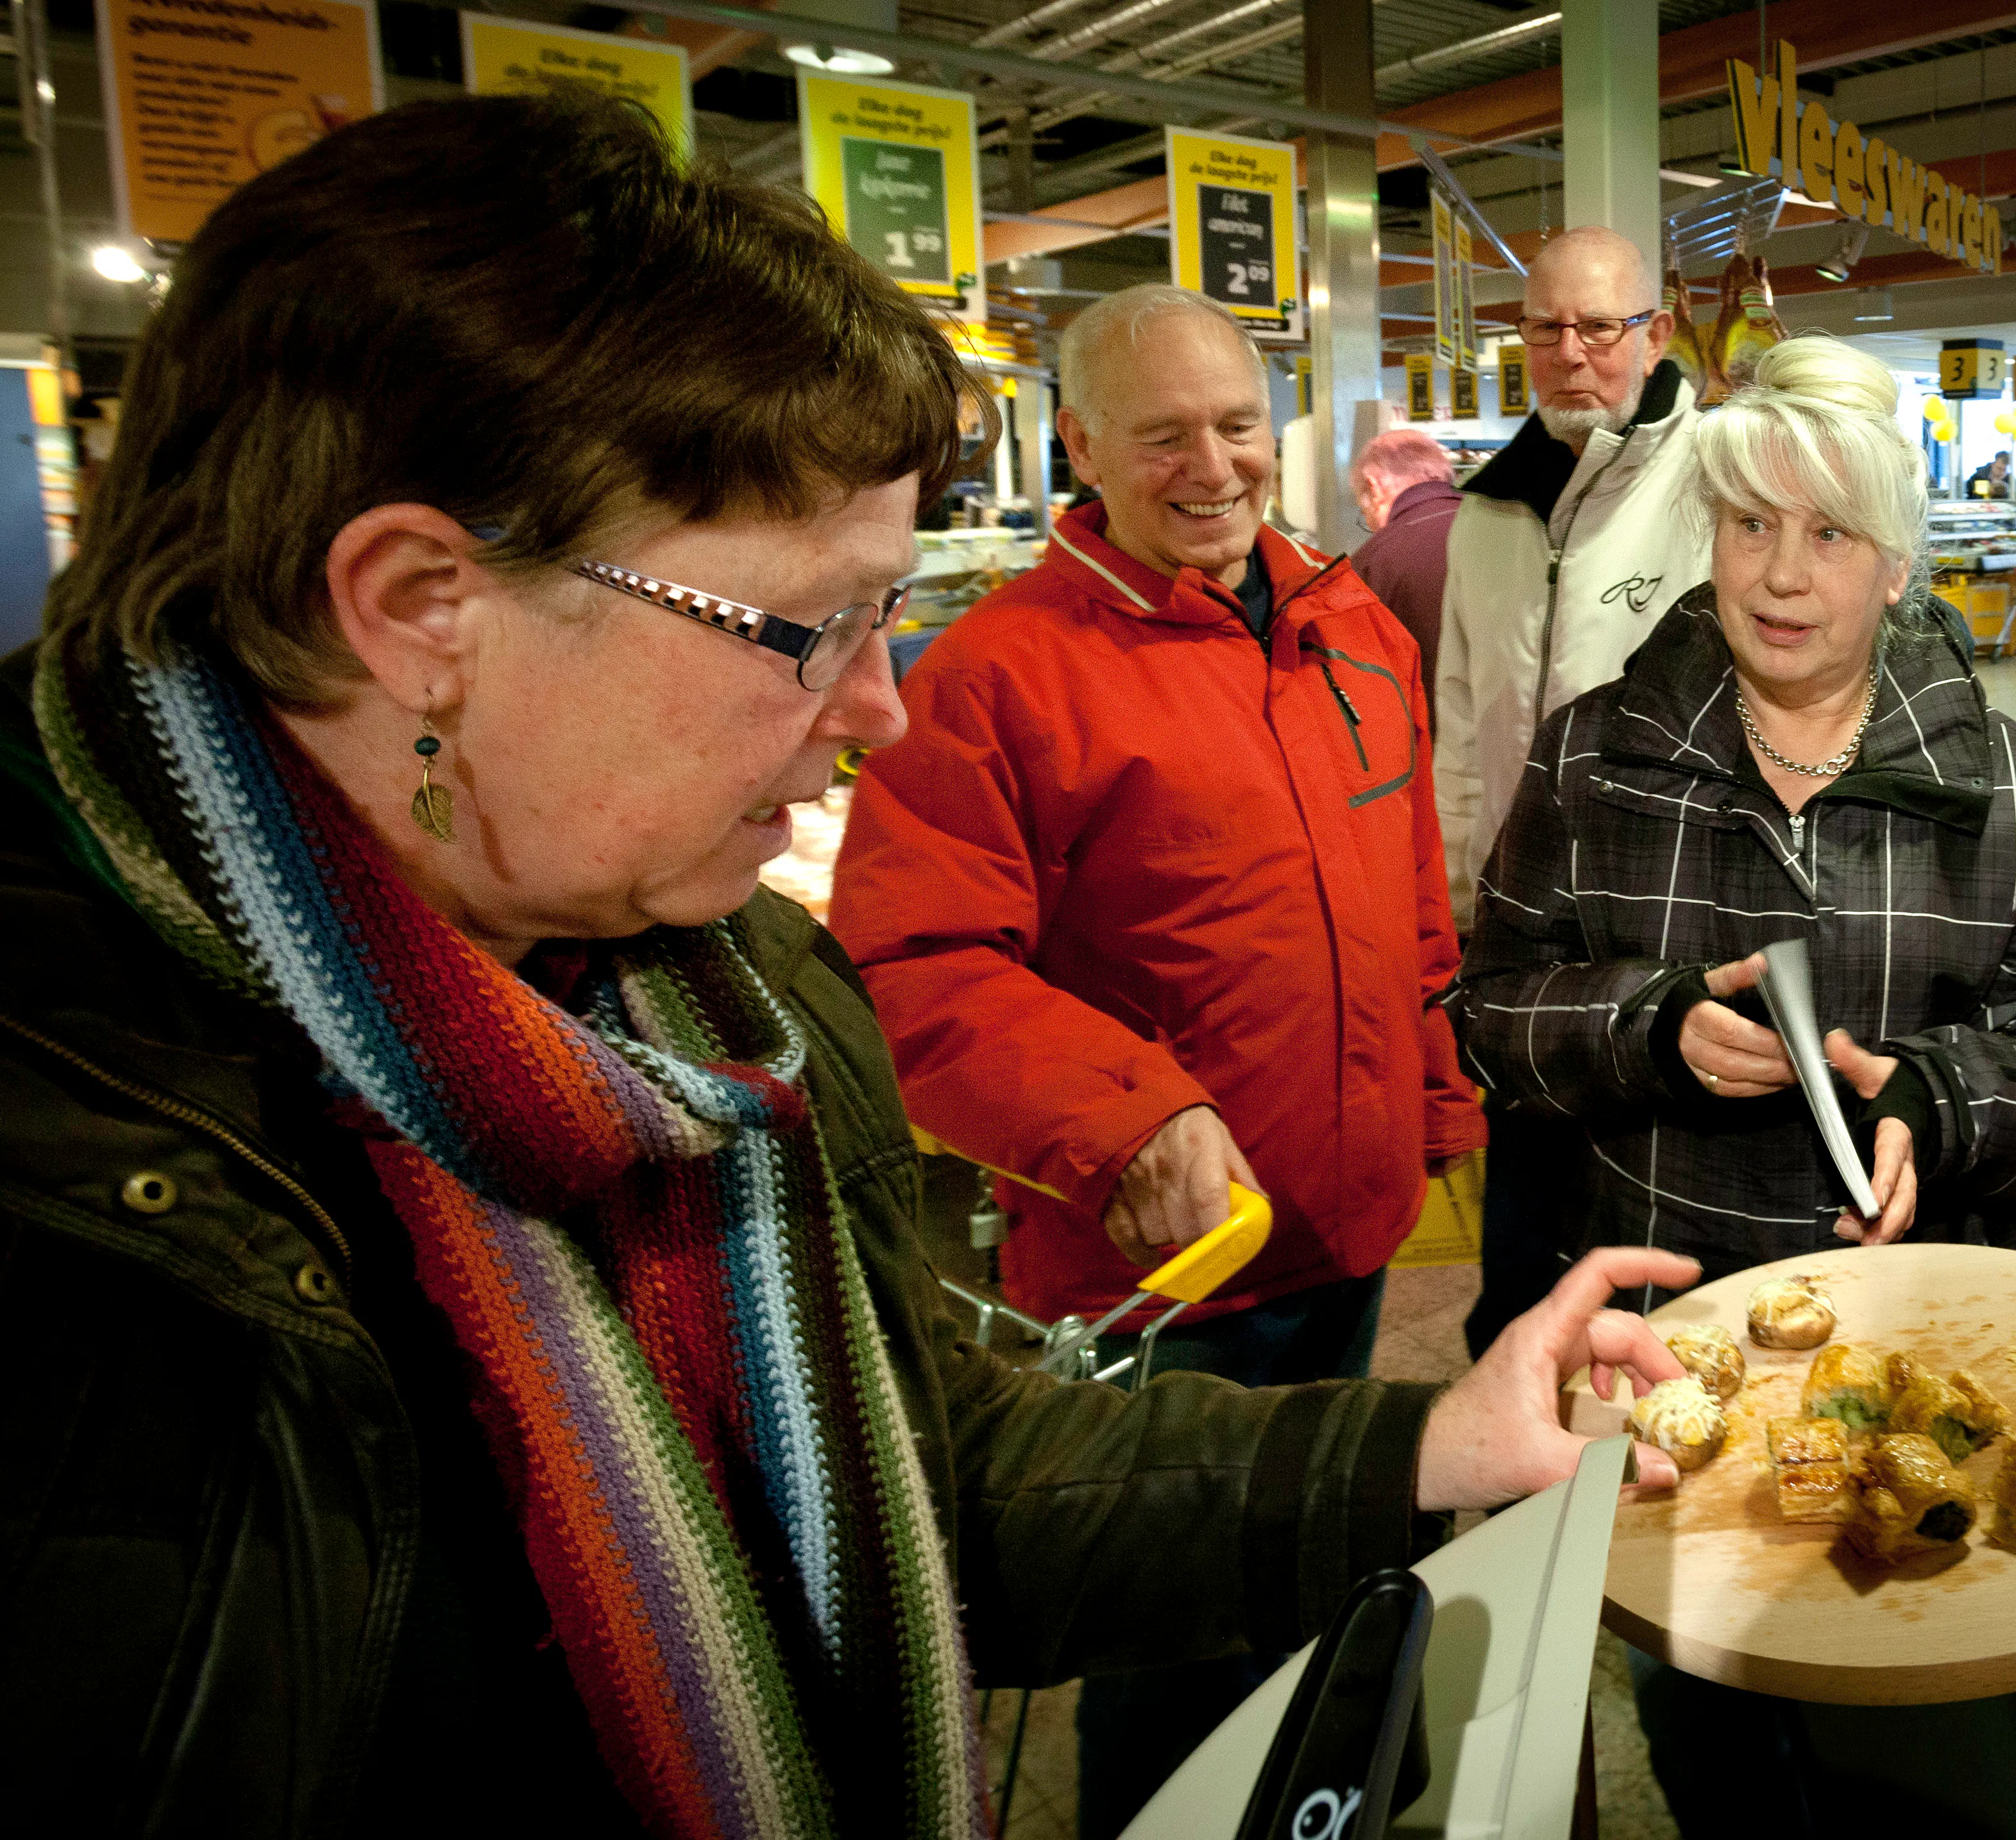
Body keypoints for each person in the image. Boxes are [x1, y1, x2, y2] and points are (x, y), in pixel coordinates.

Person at [0, 93, 1695, 1838]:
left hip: (1325, 1207)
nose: (876, 704)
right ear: (426, 606)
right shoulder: (84, 1212)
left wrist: (1427, 1436)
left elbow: (926, 1473)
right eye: (817, 622)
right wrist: (1122, 1116)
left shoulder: (703, 991)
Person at [826, 282, 1489, 1833]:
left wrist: (1438, 1104)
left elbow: (1409, 904)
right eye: (1162, 433)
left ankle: (1313, 1788)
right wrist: (1128, 1118)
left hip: (1344, 1215)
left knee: (1321, 1549)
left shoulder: (1348, 621)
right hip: (1162, 1262)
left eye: (1238, 425)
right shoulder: (990, 673)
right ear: (1078, 445)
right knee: (1171, 1622)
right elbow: (909, 966)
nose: (1212, 465)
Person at [1453, 334, 2016, 1288]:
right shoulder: (1591, 757)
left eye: (1830, 533)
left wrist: (1937, 1099)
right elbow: (1489, 1013)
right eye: (1751, 523)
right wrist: (1652, 1025)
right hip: (1660, 1314)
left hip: (1919, 1318)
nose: (1781, 576)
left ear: (1894, 567)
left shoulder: (2010, 791)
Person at [1439, 225, 1713, 1356]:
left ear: (1651, 334)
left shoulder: (1714, 479)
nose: (1572, 353)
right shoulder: (1485, 512)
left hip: (1671, 933)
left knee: (1665, 1261)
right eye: (1546, 327)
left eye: (1600, 326)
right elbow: (1462, 722)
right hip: (1522, 943)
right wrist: (1459, 910)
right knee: (1520, 1270)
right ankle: (1521, 1493)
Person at [1350, 425, 1461, 705]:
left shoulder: (1372, 563)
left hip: (1430, 738)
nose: (1372, 527)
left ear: (1375, 488)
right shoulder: (1508, 531)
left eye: (1365, 515)